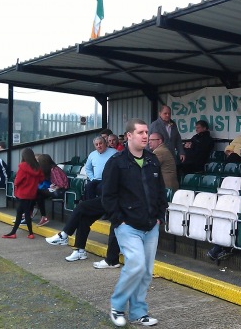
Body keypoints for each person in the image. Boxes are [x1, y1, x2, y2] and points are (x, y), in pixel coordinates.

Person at [102, 118, 167, 327]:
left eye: (147, 132)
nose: (145, 136)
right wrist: (118, 220)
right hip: (127, 225)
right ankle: (117, 307)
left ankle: (138, 312)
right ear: (129, 135)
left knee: (146, 271)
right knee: (136, 265)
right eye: (140, 132)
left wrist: (159, 216)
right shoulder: (116, 162)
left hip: (151, 225)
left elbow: (159, 191)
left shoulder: (152, 160)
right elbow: (108, 195)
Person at [45, 197, 121, 267]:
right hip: (110, 197)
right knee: (84, 218)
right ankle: (80, 251)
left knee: (81, 207)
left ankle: (63, 235)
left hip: (115, 198)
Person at [2, 148, 44, 239]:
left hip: (22, 193)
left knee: (23, 213)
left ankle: (27, 233)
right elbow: (41, 179)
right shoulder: (37, 167)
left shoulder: (23, 166)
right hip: (31, 193)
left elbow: (17, 181)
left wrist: (17, 184)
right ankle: (20, 232)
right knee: (23, 212)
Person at [33, 154, 69, 226]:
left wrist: (55, 187)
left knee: (37, 192)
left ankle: (32, 211)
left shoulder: (54, 169)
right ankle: (43, 216)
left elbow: (62, 184)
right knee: (39, 196)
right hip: (56, 189)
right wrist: (53, 185)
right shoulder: (50, 169)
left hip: (60, 191)